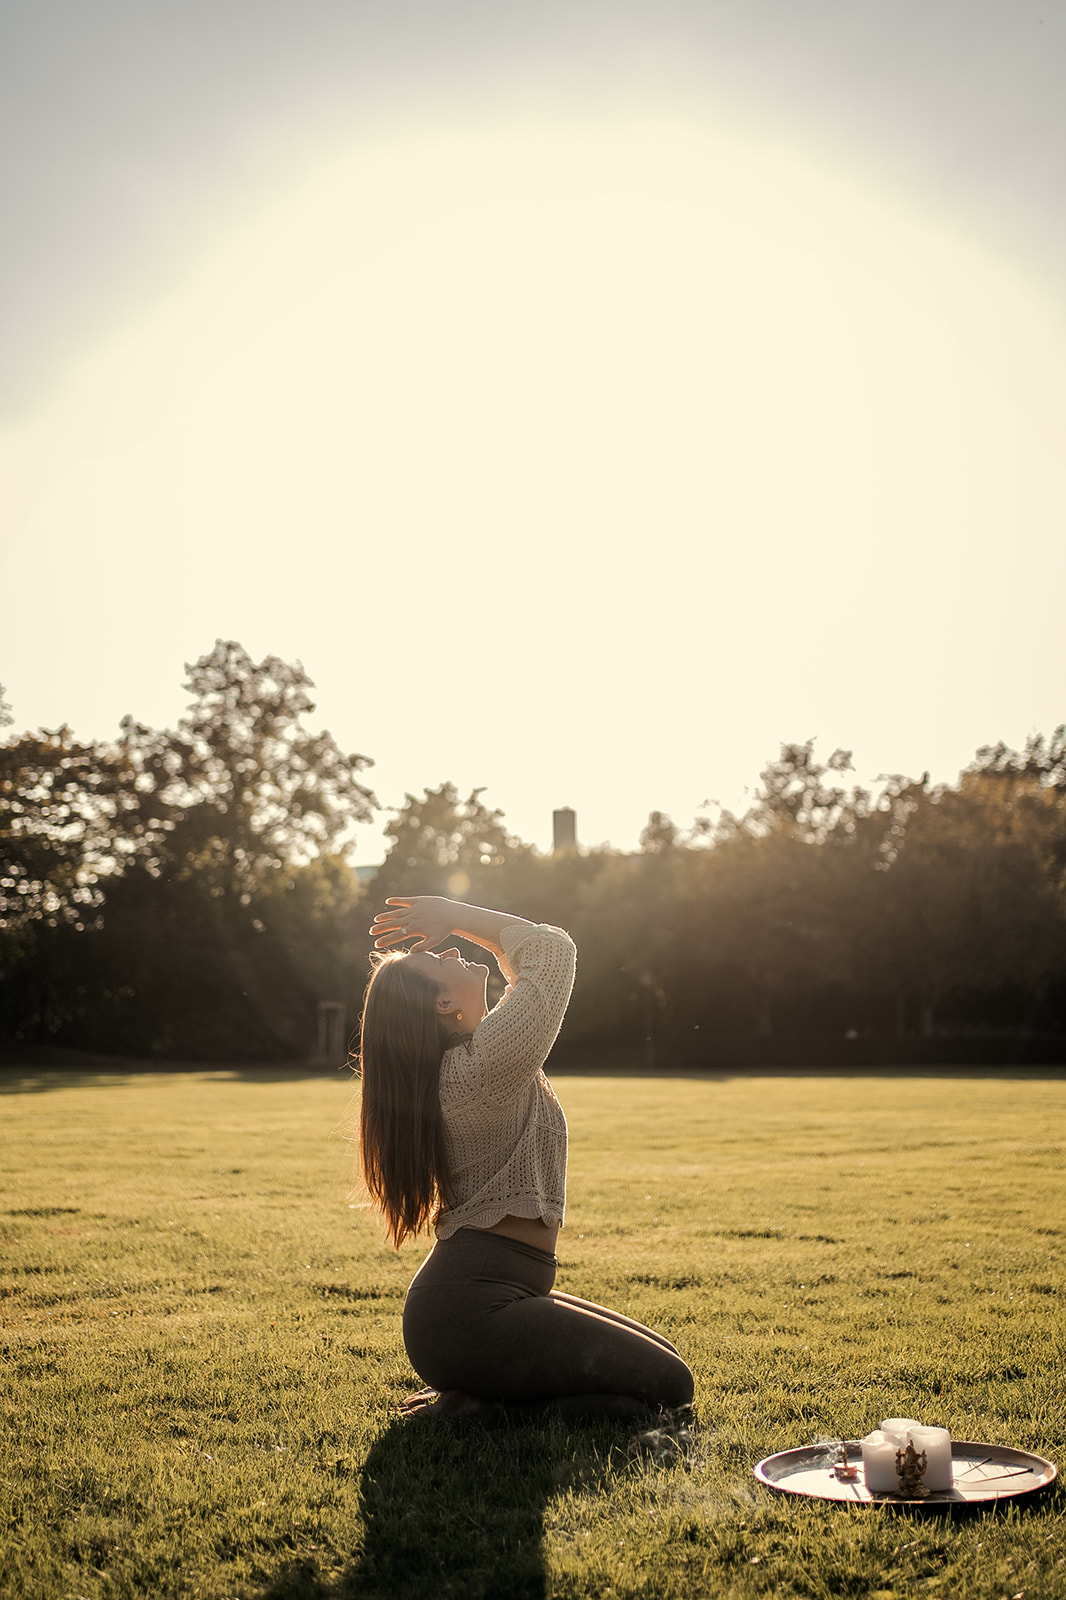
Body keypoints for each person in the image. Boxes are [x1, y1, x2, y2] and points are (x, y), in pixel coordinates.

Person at [357, 893, 694, 1421]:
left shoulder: (474, 1061)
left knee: (664, 1367)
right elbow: (551, 951)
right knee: (669, 1386)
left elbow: (530, 968)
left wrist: (458, 924)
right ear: (444, 1005)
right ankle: (479, 1407)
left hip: (479, 1302)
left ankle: (481, 1394)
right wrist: (457, 916)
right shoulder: (481, 1066)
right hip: (467, 1313)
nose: (452, 953)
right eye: (439, 960)